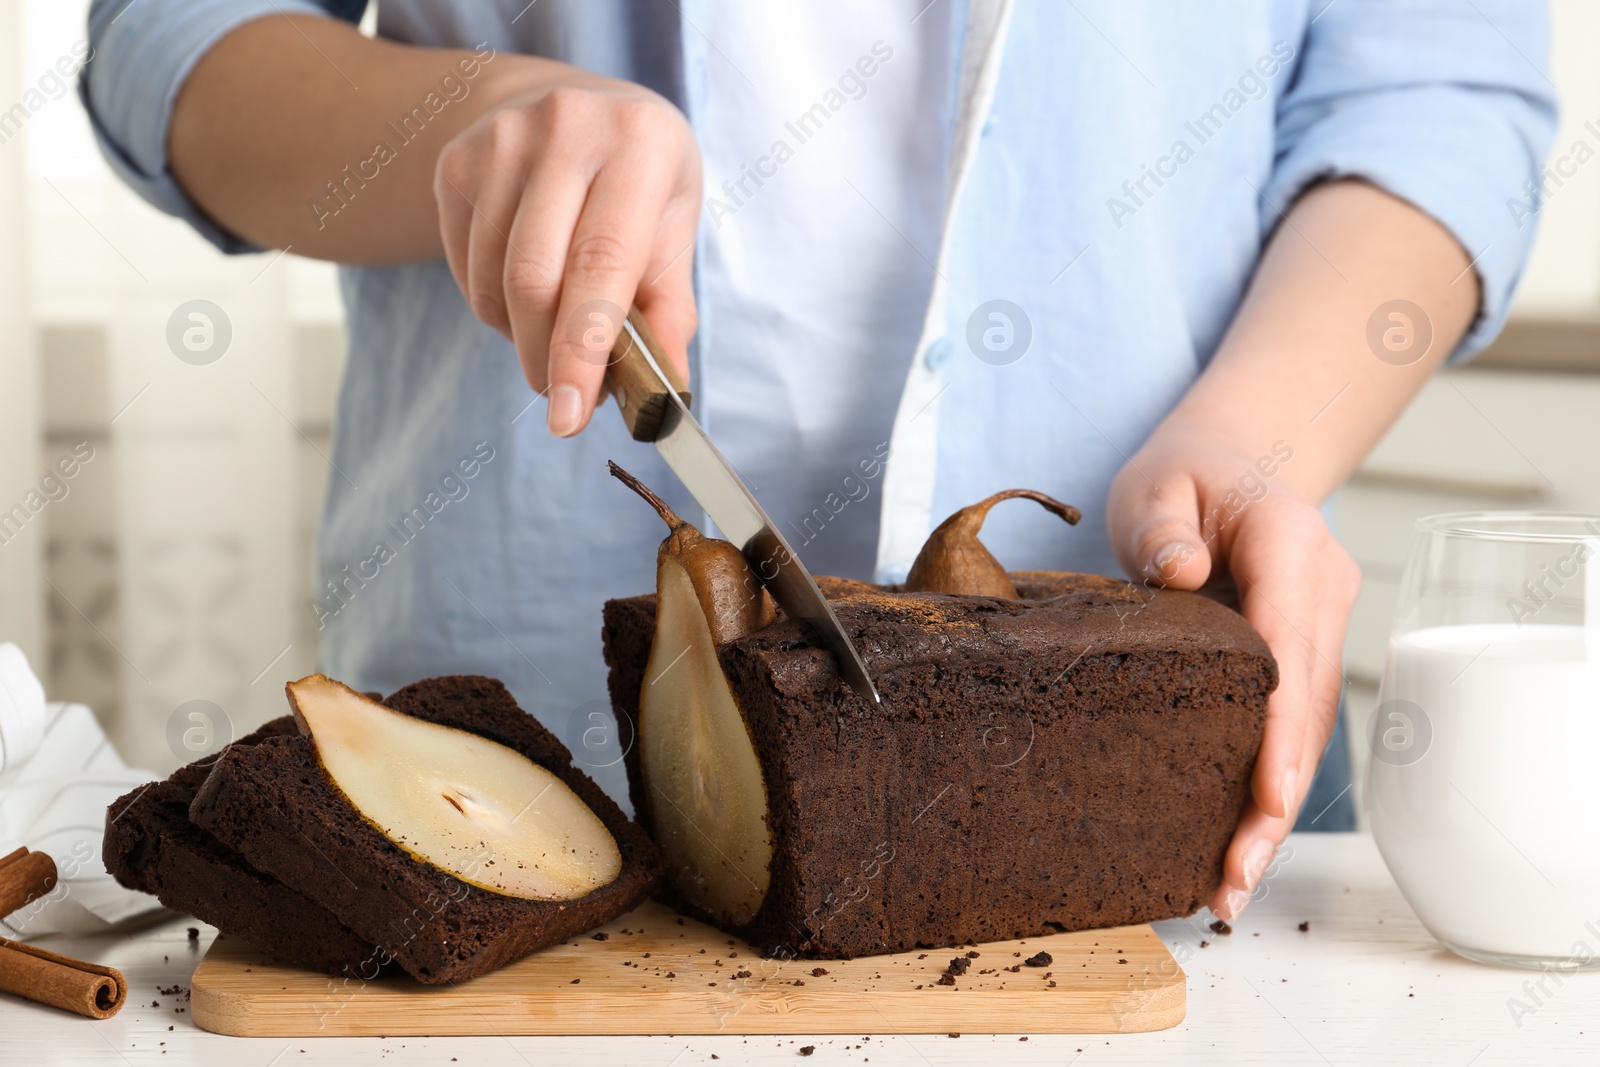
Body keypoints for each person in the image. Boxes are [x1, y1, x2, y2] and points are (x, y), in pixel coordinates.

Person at [81, 0, 1555, 922]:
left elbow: (1432, 94)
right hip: (523, 781)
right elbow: (167, 36)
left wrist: (1255, 437)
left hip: (1170, 774)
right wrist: (460, 118)